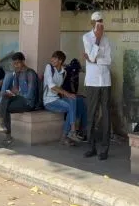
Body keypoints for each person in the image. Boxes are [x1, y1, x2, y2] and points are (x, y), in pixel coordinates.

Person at [83, 12, 112, 160]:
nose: (99, 23)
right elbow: (91, 56)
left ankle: (104, 149)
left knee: (106, 115)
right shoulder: (86, 37)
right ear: (92, 23)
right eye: (96, 21)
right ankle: (91, 147)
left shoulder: (107, 39)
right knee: (91, 114)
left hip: (105, 81)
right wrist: (98, 39)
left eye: (101, 21)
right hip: (92, 82)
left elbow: (109, 60)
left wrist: (94, 60)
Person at [0, 52, 39, 147]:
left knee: (4, 106)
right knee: (5, 97)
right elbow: (16, 90)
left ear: (23, 61)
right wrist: (11, 93)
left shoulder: (30, 73)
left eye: (18, 63)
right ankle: (3, 127)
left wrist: (17, 93)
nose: (16, 66)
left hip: (29, 103)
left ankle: (6, 133)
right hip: (20, 99)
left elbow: (30, 95)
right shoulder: (17, 73)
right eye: (14, 64)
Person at [43, 50, 86, 145]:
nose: (52, 60)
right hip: (49, 101)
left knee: (77, 100)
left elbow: (60, 88)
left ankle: (76, 131)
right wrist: (67, 94)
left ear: (61, 61)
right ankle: (71, 132)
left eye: (55, 58)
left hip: (57, 99)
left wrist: (71, 95)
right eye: (52, 57)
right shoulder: (49, 67)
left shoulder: (64, 72)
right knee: (71, 105)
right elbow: (51, 86)